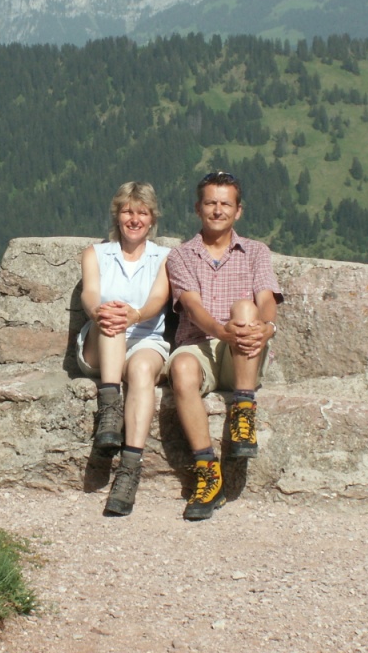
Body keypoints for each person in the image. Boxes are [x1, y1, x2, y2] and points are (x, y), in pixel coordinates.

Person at [165, 171, 283, 521]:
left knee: (247, 309)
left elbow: (266, 298)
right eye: (211, 203)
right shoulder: (181, 255)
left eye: (225, 204)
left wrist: (268, 327)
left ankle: (243, 411)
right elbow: (193, 308)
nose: (218, 210)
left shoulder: (256, 252)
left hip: (242, 352)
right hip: (200, 343)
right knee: (181, 367)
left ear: (238, 211)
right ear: (198, 208)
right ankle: (207, 471)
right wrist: (221, 331)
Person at [78, 181, 171, 516]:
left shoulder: (164, 258)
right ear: (117, 215)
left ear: (152, 218)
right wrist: (101, 312)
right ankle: (110, 410)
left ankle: (129, 470)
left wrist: (135, 314)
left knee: (144, 371)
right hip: (100, 341)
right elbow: (90, 293)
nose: (135, 219)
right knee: (112, 318)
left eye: (142, 212)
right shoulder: (96, 254)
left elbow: (157, 301)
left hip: (146, 338)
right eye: (128, 211)